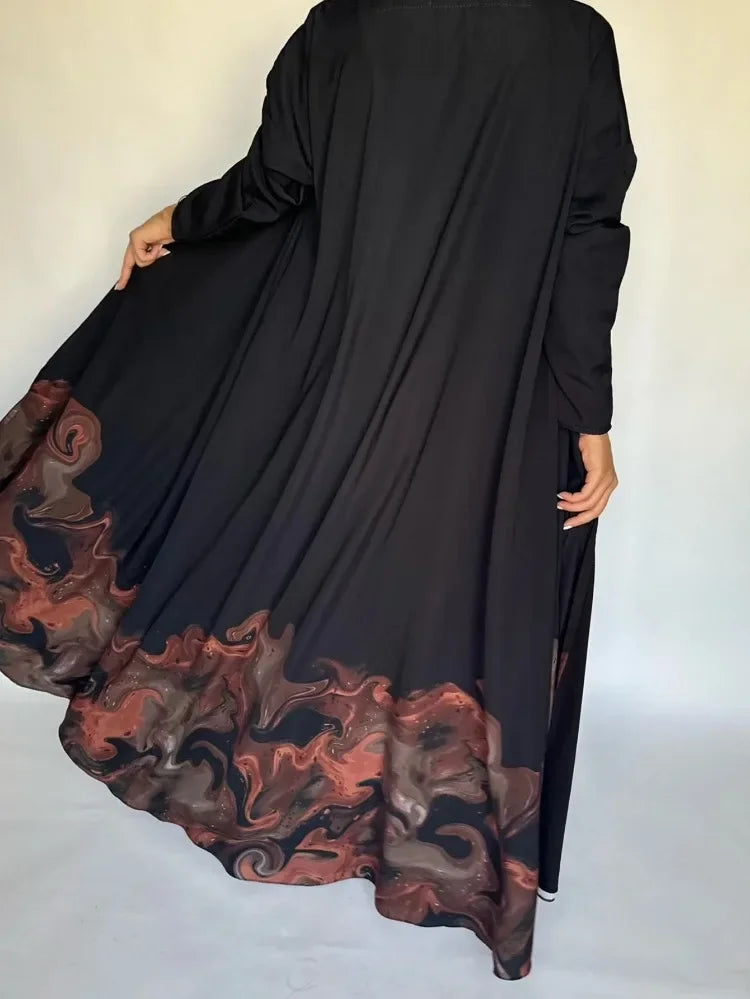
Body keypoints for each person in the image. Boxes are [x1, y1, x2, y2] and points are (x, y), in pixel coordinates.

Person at [0, 0, 636, 980]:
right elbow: (588, 234)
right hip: (484, 391)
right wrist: (588, 413)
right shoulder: (576, 39)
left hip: (340, 360)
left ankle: (278, 779)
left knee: (307, 559)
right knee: (435, 591)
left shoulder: (350, 20)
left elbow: (276, 182)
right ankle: (396, 815)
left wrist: (179, 221)